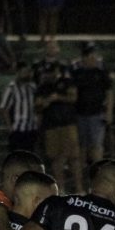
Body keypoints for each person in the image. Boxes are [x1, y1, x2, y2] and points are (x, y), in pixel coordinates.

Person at [37, 62, 81, 195]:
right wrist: (47, 101)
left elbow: (73, 98)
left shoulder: (66, 82)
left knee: (74, 157)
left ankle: (79, 189)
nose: (51, 74)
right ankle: (61, 189)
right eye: (48, 72)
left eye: (52, 71)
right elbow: (38, 105)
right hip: (51, 126)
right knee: (56, 158)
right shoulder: (43, 87)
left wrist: (58, 97)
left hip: (68, 124)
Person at [72, 43, 114, 167]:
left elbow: (109, 92)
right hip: (80, 113)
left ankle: (97, 173)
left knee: (97, 145)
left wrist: (109, 111)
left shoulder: (101, 72)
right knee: (82, 145)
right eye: (91, 56)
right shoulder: (77, 72)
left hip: (97, 113)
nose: (94, 58)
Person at [0, 61, 38, 152]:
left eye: (28, 72)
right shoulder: (11, 88)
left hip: (31, 127)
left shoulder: (33, 87)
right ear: (18, 72)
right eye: (24, 72)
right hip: (17, 128)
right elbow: (4, 108)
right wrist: (9, 127)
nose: (27, 74)